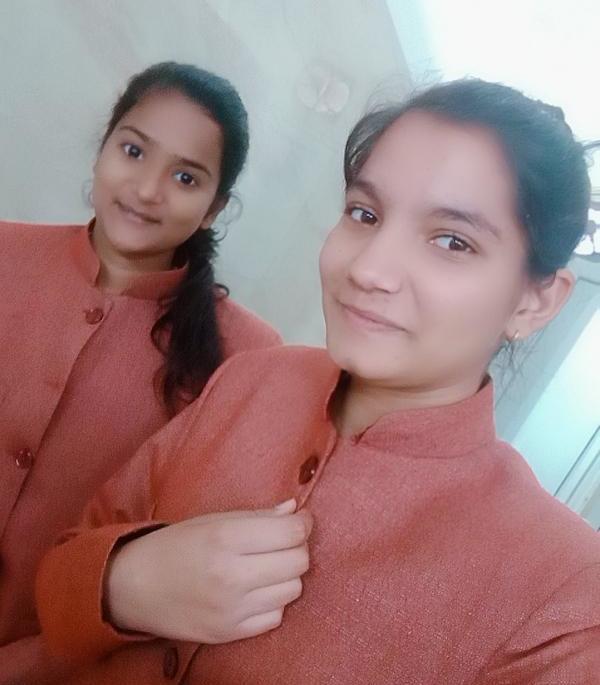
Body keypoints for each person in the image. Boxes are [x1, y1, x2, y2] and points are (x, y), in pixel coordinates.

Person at [37, 79, 600, 684]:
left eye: (452, 241)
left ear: (536, 302)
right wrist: (127, 582)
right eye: (364, 214)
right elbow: (63, 567)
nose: (369, 268)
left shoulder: (562, 592)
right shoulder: (253, 378)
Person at [0, 61, 282, 683]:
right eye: (133, 151)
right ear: (103, 147)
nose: (148, 189)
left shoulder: (245, 358)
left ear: (213, 209)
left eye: (185, 176)